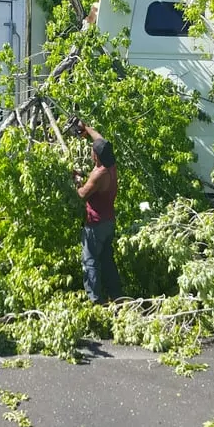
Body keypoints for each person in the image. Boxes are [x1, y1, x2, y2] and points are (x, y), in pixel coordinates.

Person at [73, 124, 122, 305]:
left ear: (96, 156)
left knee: (90, 261)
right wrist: (84, 126)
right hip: (109, 221)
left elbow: (82, 195)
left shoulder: (99, 174)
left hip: (96, 224)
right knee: (107, 260)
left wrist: (76, 181)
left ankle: (95, 300)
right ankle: (116, 296)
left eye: (92, 151)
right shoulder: (111, 163)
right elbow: (100, 139)